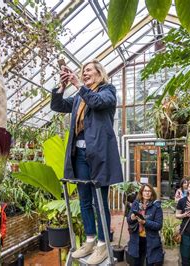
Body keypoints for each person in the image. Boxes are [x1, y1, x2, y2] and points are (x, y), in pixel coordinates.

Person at [50, 59, 123, 264]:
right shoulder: (78, 98)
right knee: (84, 200)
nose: (84, 73)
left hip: (99, 155)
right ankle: (90, 239)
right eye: (83, 72)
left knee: (99, 201)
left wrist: (78, 85)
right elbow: (57, 105)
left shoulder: (108, 90)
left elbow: (98, 102)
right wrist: (62, 87)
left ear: (100, 72)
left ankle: (102, 245)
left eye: (88, 70)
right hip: (80, 155)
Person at [127, 183, 164, 266]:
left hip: (150, 239)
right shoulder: (135, 204)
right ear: (141, 192)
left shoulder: (156, 207)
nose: (147, 193)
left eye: (149, 191)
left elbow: (159, 225)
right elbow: (129, 220)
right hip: (136, 238)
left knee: (149, 263)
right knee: (136, 262)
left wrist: (145, 222)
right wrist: (132, 218)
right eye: (145, 191)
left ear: (152, 193)